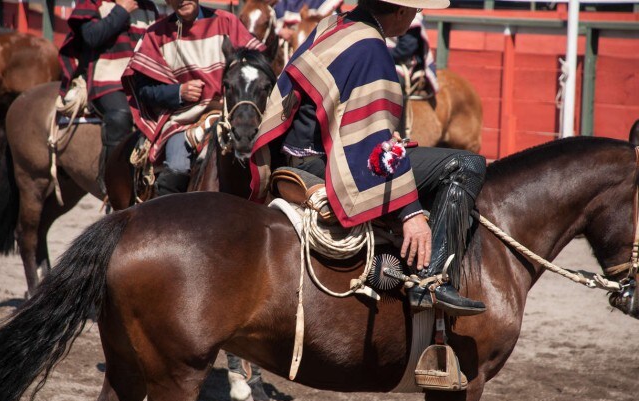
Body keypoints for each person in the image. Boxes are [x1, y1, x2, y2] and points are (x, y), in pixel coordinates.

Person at [249, 0, 487, 316]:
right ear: (401, 12)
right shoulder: (372, 48)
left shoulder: (333, 25)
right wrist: (411, 212)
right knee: (468, 164)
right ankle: (431, 281)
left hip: (291, 156)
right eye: (415, 11)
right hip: (323, 163)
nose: (414, 17)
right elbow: (373, 146)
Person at [121, 0, 265, 195]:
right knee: (177, 168)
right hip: (182, 122)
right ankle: (167, 213)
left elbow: (256, 67)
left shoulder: (227, 22)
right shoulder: (155, 35)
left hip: (229, 115)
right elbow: (144, 91)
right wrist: (178, 92)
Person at [57, 0, 159, 193]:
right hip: (107, 78)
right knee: (120, 115)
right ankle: (113, 180)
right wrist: (121, 11)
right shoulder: (94, 3)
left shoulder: (149, 7)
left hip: (142, 82)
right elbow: (91, 37)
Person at [273, 0, 343, 41]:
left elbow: (335, 23)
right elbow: (270, 25)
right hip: (287, 44)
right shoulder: (280, 3)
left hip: (318, 41)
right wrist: (280, 31)